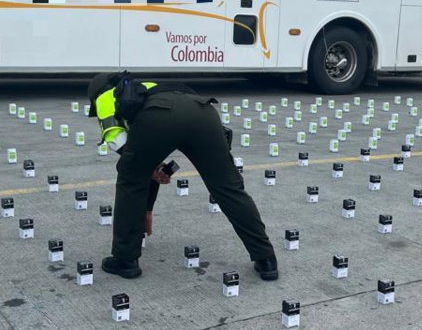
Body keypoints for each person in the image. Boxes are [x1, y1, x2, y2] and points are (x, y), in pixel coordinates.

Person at [87, 73, 279, 280]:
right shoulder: (145, 86)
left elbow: (120, 143)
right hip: (204, 112)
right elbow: (148, 155)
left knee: (130, 179)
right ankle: (266, 258)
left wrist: (143, 174)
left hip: (158, 118)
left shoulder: (105, 97)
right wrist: (148, 208)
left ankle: (125, 260)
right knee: (229, 189)